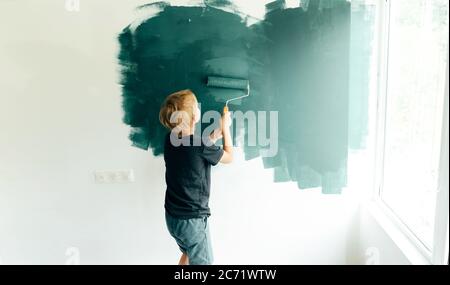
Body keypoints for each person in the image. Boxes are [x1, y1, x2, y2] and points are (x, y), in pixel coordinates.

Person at [159, 89, 233, 265]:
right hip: (192, 221)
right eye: (196, 105)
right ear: (194, 117)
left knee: (189, 253)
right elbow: (229, 157)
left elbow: (195, 151)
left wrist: (214, 136)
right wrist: (226, 128)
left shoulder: (170, 139)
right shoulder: (200, 145)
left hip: (173, 218)